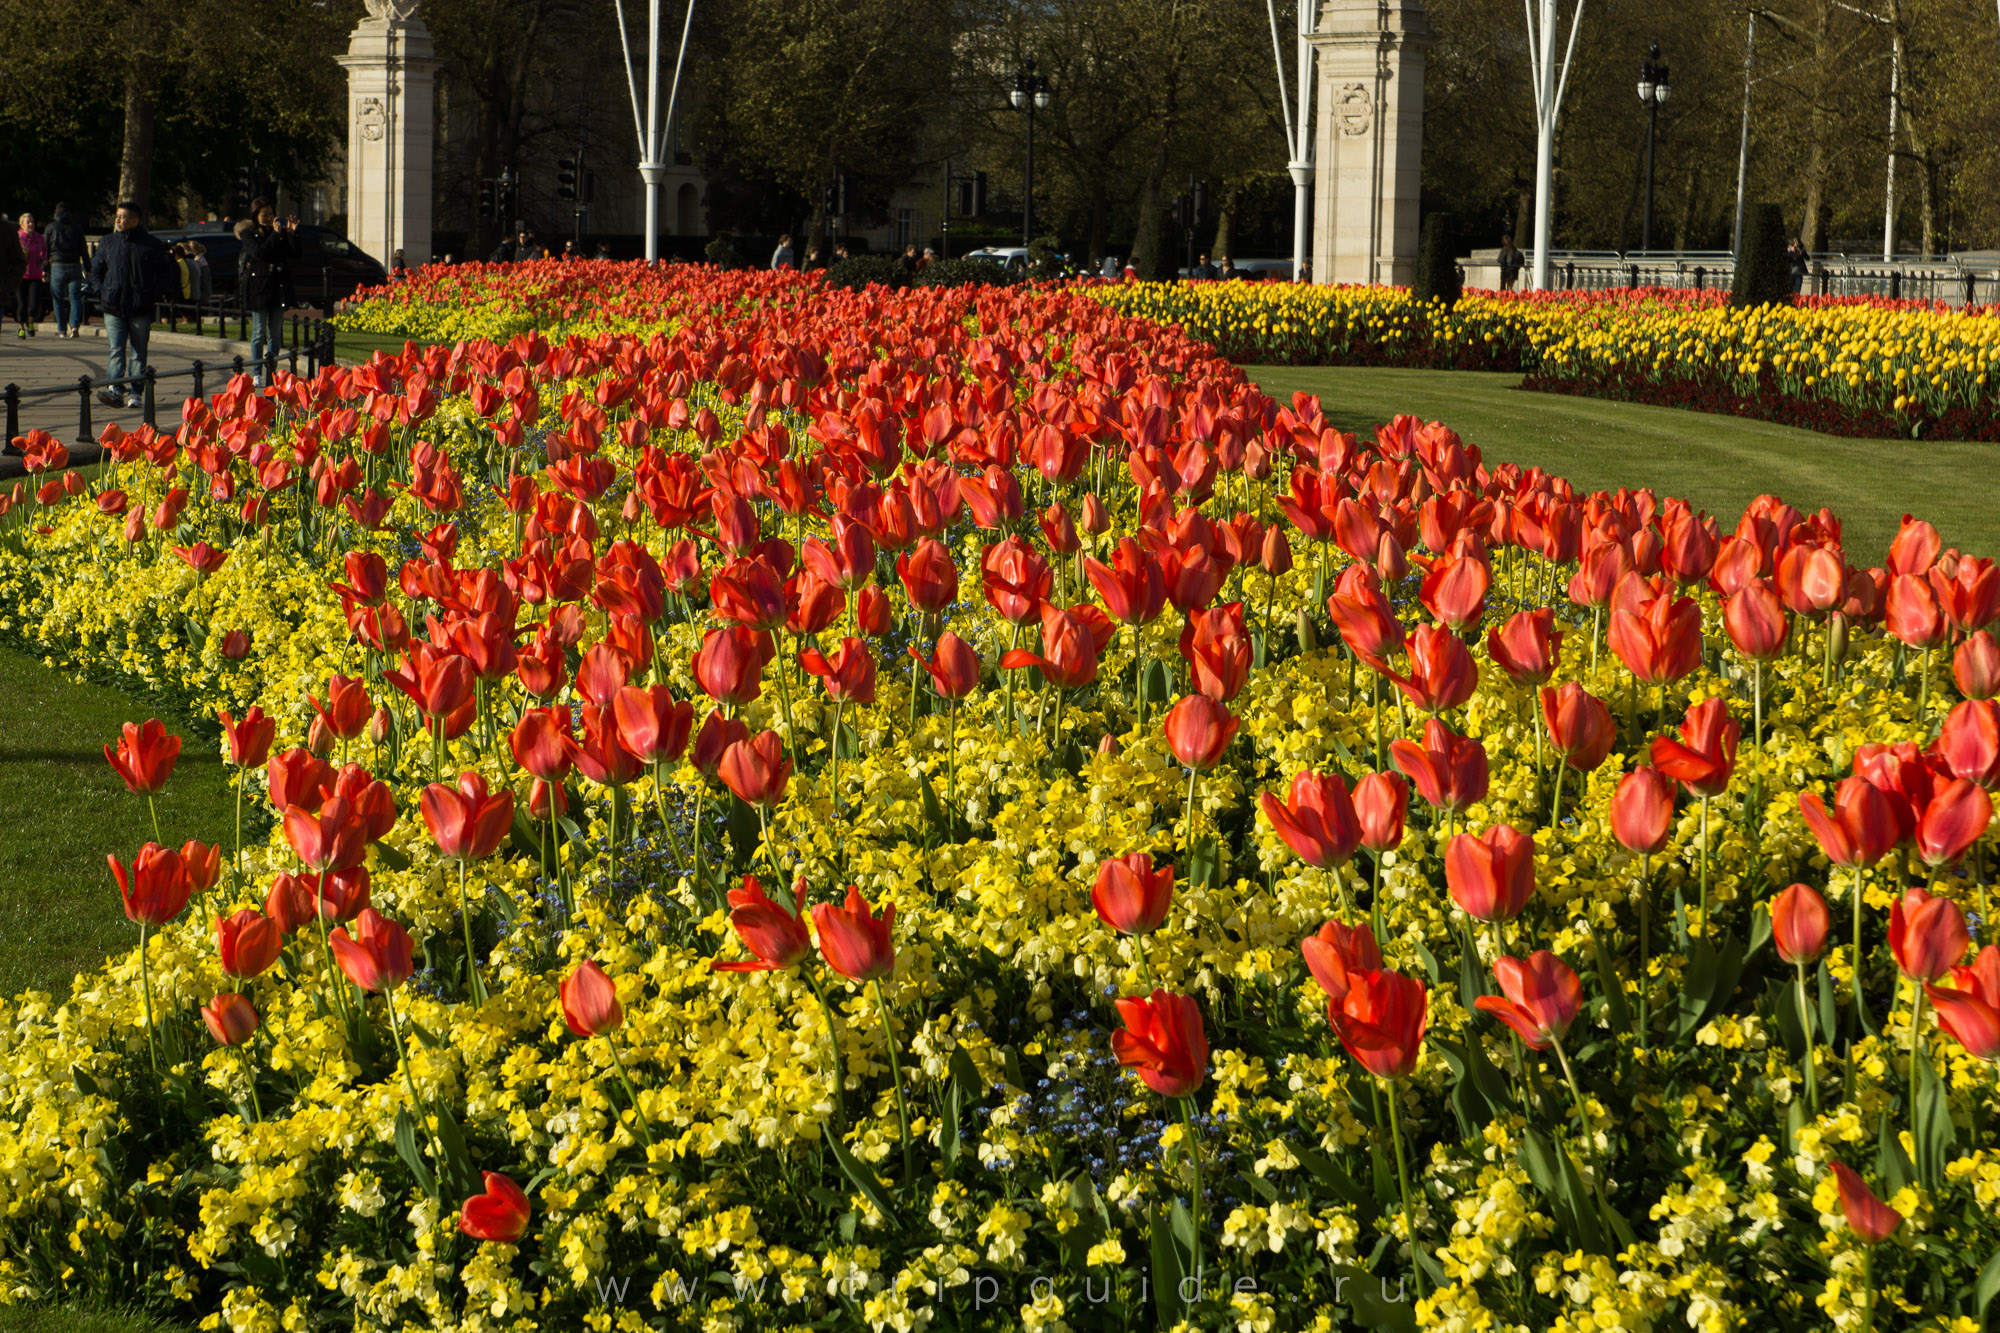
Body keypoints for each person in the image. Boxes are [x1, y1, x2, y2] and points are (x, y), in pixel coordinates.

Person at [88, 201, 172, 410]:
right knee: (116, 348)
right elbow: (96, 270)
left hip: (140, 306)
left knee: (138, 351)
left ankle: (136, 391)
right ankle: (115, 388)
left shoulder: (151, 244)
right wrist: (101, 290)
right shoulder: (107, 242)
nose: (118, 220)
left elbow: (165, 273)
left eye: (123, 217)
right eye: (117, 216)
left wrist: (153, 293)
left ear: (135, 220)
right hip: (113, 304)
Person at [235, 198, 298, 388]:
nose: (269, 218)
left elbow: (295, 254)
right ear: (256, 216)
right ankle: (257, 372)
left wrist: (293, 234)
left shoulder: (280, 233)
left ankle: (271, 368)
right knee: (258, 331)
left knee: (275, 333)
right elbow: (260, 252)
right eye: (265, 215)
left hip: (277, 286)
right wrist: (275, 235)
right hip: (259, 287)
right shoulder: (249, 233)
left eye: (271, 214)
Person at [43, 202, 86, 338]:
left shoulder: (51, 228)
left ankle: (62, 329)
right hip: (74, 264)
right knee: (75, 298)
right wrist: (88, 268)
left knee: (58, 298)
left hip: (57, 265)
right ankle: (74, 326)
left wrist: (45, 269)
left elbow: (45, 251)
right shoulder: (77, 228)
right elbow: (84, 250)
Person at [16, 213, 46, 337]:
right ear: (21, 224)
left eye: (32, 222)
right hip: (20, 275)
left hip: (35, 274)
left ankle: (30, 321)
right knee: (22, 304)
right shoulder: (17, 237)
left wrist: (44, 262)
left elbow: (44, 252)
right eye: (27, 222)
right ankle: (21, 328)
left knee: (33, 305)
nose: (30, 224)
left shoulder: (39, 238)